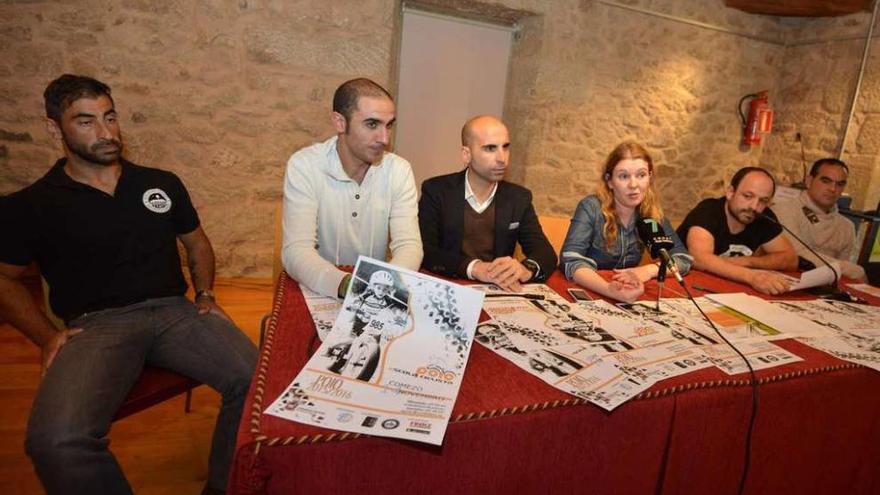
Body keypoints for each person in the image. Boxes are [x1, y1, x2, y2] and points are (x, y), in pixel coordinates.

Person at [0, 75, 258, 495]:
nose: (105, 133)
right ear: (54, 128)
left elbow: (197, 244)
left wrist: (206, 294)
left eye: (110, 117)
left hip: (177, 313)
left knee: (256, 382)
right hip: (98, 326)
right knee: (55, 441)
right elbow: (4, 280)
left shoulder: (160, 183)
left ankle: (222, 487)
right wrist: (45, 337)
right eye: (86, 122)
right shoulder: (29, 206)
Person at [282, 78, 422, 299]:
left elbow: (409, 246)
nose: (384, 138)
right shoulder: (305, 165)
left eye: (389, 125)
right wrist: (347, 285)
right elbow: (296, 251)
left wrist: (384, 286)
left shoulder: (399, 170)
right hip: (319, 287)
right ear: (340, 122)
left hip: (378, 290)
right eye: (372, 124)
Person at [418, 116, 557, 291]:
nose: (502, 158)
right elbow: (426, 250)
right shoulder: (436, 191)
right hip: (448, 289)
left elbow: (545, 252)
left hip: (497, 292)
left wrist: (525, 268)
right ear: (466, 154)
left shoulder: (518, 198)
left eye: (505, 147)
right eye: (490, 148)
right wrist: (474, 268)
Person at [560, 141, 692, 302]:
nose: (633, 184)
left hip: (630, 292)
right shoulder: (591, 207)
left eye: (641, 175)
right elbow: (571, 259)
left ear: (649, 178)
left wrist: (648, 270)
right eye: (624, 176)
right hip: (593, 292)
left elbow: (683, 259)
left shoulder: (652, 211)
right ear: (609, 181)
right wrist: (609, 290)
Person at [677, 167, 798, 295]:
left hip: (728, 290)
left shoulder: (763, 216)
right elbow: (699, 258)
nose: (754, 207)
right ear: (730, 192)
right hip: (686, 285)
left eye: (763, 201)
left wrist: (748, 261)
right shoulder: (708, 211)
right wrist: (752, 277)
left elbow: (790, 259)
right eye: (748, 196)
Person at [773, 158, 867, 281]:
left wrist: (846, 270)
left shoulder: (846, 227)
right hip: (781, 281)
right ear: (809, 181)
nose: (832, 189)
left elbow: (844, 277)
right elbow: (795, 254)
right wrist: (847, 268)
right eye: (826, 181)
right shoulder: (783, 210)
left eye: (839, 184)